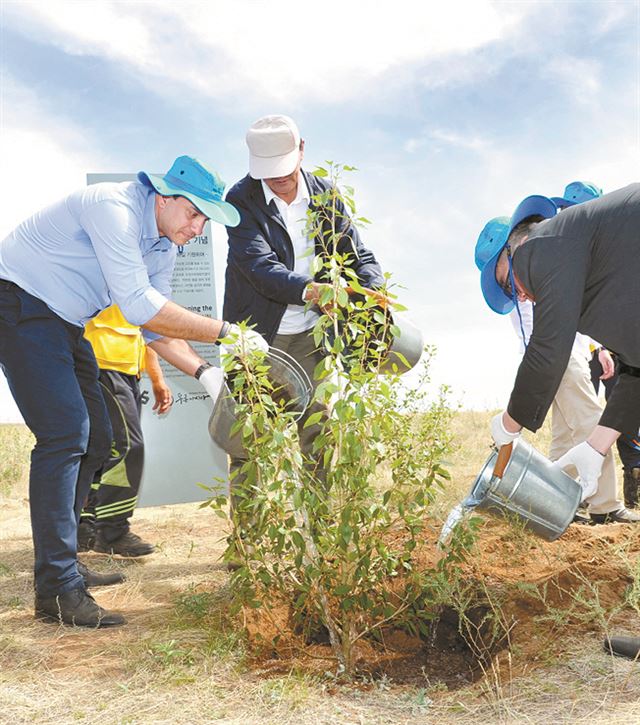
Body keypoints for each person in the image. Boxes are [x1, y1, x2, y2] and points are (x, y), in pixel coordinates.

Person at [0, 155, 267, 628]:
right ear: (164, 197)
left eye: (206, 220)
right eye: (194, 214)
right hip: (19, 300)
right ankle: (57, 589)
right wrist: (228, 331)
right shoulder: (113, 207)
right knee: (65, 434)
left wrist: (205, 371)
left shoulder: (164, 246)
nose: (199, 228)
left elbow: (151, 325)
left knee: (98, 437)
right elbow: (141, 305)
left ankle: (65, 565)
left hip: (65, 321)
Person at [474, 185, 640, 659]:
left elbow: (547, 354)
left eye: (508, 285)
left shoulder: (543, 245)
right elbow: (636, 366)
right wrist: (597, 444)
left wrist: (509, 425)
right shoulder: (597, 279)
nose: (519, 295)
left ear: (514, 249)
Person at [222, 114, 384, 506]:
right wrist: (316, 292)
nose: (277, 179)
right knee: (250, 438)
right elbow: (261, 269)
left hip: (312, 337)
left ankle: (320, 529)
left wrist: (373, 290)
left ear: (302, 150)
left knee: (317, 431)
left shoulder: (325, 195)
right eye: (268, 172)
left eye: (283, 167)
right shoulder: (239, 200)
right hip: (257, 334)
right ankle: (249, 546)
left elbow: (357, 253)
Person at [79, 304, 172, 557]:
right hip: (101, 358)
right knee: (127, 446)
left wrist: (156, 376)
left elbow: (147, 326)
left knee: (99, 448)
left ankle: (84, 525)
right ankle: (112, 532)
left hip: (128, 366)